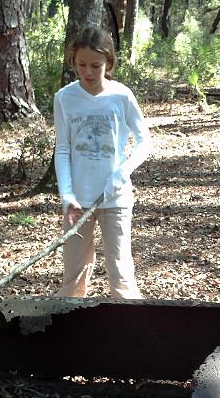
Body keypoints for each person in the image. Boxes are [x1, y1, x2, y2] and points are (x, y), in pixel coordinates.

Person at [53, 27, 151, 298]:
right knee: (74, 275)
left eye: (95, 65)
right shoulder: (64, 98)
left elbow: (144, 142)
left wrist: (122, 172)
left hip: (116, 199)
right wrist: (67, 196)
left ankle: (133, 331)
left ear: (108, 62)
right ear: (73, 62)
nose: (88, 72)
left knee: (121, 273)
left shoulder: (121, 96)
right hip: (78, 202)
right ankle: (69, 330)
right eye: (81, 64)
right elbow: (62, 150)